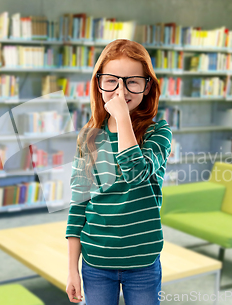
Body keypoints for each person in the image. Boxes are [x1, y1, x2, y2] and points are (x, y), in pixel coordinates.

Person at [65, 39, 172, 305]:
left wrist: (122, 118)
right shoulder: (89, 138)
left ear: (147, 85)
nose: (121, 90)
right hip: (97, 261)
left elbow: (136, 173)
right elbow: (78, 206)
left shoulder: (158, 133)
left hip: (143, 261)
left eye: (132, 81)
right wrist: (71, 269)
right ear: (99, 83)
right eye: (111, 80)